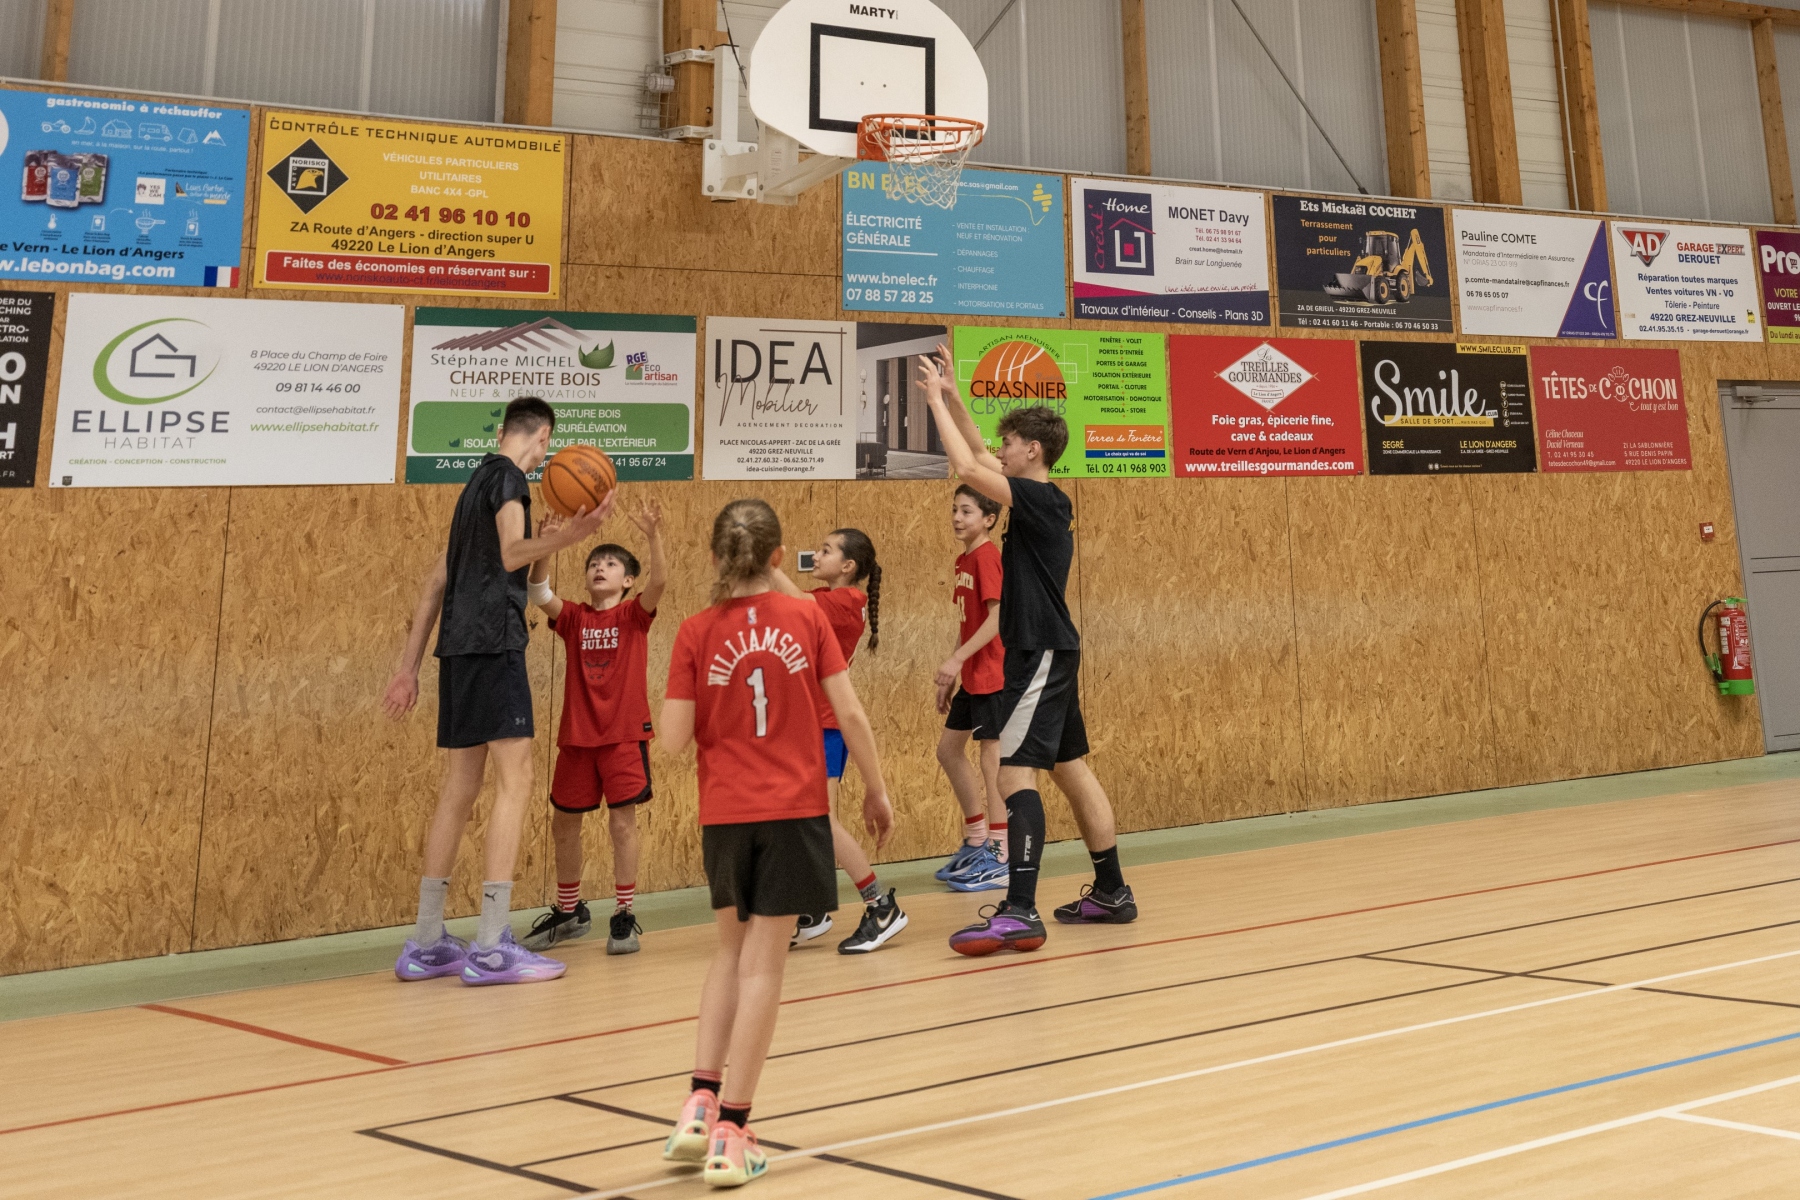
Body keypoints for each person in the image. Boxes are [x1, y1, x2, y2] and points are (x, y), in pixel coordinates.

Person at [660, 499, 893, 1188]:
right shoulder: (806, 618)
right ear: (777, 556)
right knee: (763, 968)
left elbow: (671, 740)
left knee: (728, 955)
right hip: (792, 811)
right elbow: (849, 712)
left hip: (725, 813)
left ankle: (698, 1103)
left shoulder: (695, 631)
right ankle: (733, 1130)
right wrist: (876, 789)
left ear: (713, 558)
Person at [383, 397, 614, 985]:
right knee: (517, 780)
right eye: (547, 444)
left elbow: (438, 584)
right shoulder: (510, 478)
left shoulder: (473, 490)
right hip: (493, 645)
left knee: (460, 789)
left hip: (458, 653)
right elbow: (512, 552)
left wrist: (408, 668)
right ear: (542, 437)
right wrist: (575, 534)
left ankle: (427, 941)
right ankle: (491, 946)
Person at [917, 347, 1139, 957]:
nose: (1002, 449)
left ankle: (1019, 910)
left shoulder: (1040, 498)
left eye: (1010, 443)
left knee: (1014, 773)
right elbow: (980, 454)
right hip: (1050, 650)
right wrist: (955, 396)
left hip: (1038, 653)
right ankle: (1112, 891)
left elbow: (968, 464)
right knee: (1070, 770)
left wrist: (931, 401)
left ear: (1032, 450)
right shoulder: (1039, 497)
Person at [520, 500, 667, 956]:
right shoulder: (574, 618)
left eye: (610, 564)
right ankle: (570, 911)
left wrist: (653, 536)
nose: (600, 568)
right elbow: (538, 591)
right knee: (564, 824)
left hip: (623, 736)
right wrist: (546, 545)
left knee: (622, 824)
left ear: (627, 581)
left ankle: (623, 912)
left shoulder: (633, 615)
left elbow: (660, 582)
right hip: (578, 738)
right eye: (593, 564)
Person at [770, 529, 909, 954]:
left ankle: (880, 906)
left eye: (826, 550)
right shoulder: (825, 598)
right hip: (807, 724)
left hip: (826, 725)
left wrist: (764, 559)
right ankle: (811, 910)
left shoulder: (847, 601)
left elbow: (796, 601)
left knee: (821, 823)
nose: (817, 554)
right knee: (797, 822)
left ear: (848, 566)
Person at [933, 485, 1009, 892]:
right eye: (954, 510)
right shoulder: (964, 559)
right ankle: (977, 838)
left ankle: (1000, 853)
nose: (957, 518)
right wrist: (954, 669)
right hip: (972, 675)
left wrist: (958, 659)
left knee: (991, 758)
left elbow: (998, 619)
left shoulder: (987, 558)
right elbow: (969, 623)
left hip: (994, 675)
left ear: (989, 519)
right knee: (948, 750)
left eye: (966, 511)